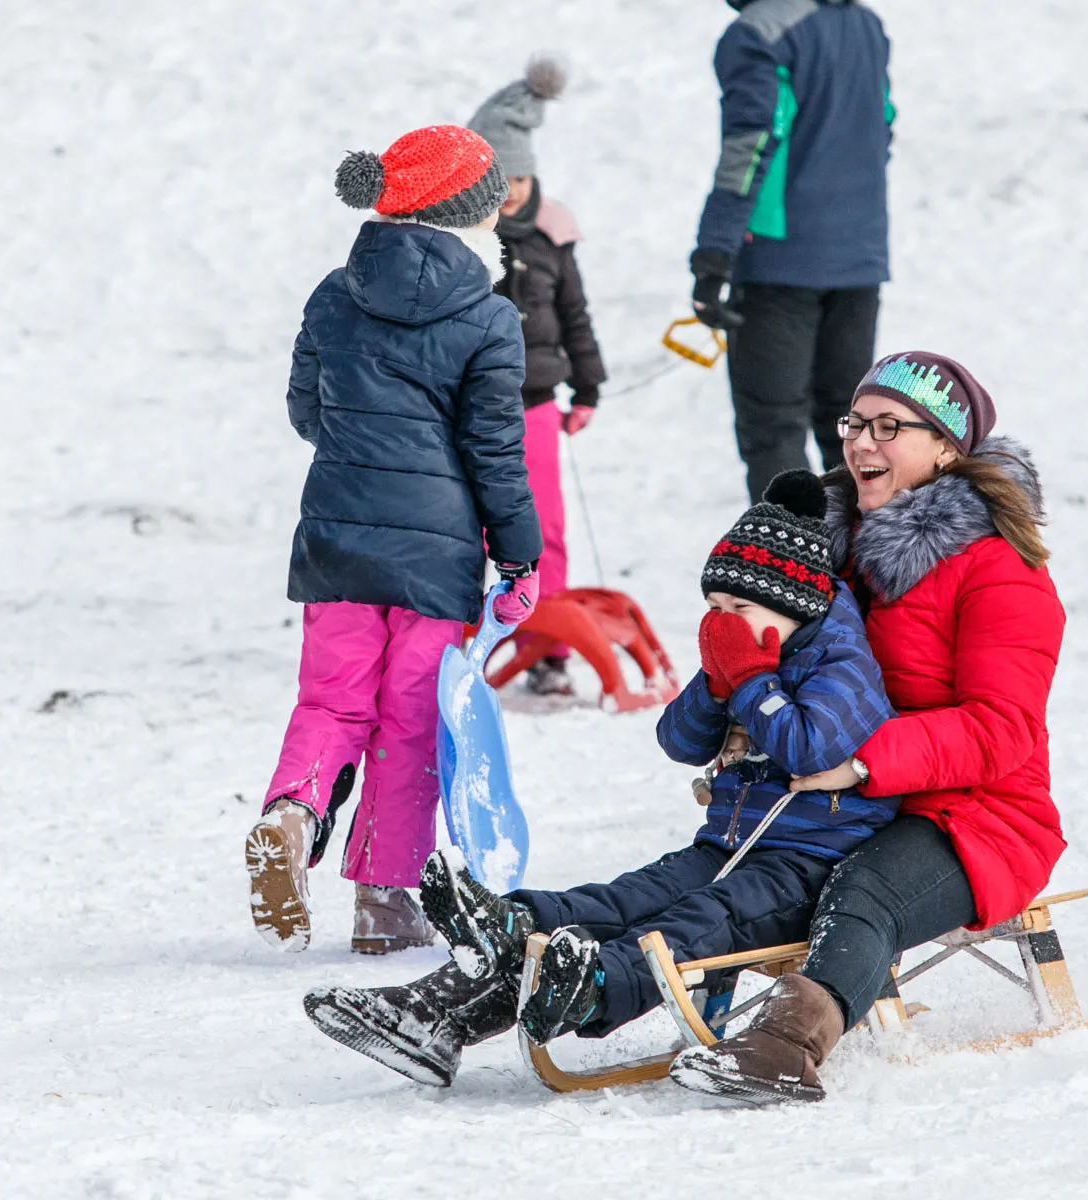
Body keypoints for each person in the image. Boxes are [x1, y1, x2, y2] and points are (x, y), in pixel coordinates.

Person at [301, 470, 897, 1085]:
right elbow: (679, 741)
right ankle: (458, 985)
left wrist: (749, 681)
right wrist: (721, 681)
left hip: (807, 865)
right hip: (730, 843)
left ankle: (596, 988)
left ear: (791, 605)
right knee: (619, 900)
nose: (722, 622)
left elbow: (808, 749)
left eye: (737, 609)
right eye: (714, 608)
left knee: (692, 924)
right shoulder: (754, 649)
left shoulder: (842, 663)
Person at [670, 351, 1067, 1104]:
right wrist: (744, 713)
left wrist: (859, 764)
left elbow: (1000, 729)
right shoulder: (836, 549)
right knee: (731, 875)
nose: (860, 443)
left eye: (890, 427)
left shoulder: (1001, 571)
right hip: (846, 806)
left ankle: (786, 1046)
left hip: (977, 816)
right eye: (855, 423)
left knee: (864, 890)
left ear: (946, 448)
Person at [245, 126, 543, 957]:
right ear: (477, 212)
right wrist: (519, 553)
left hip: (336, 543)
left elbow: (309, 411)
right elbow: (495, 450)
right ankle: (384, 903)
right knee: (411, 724)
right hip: (436, 558)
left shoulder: (335, 293)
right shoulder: (487, 316)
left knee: (331, 702)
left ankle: (292, 817)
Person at [688, 0, 895, 502]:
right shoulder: (865, 24)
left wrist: (716, 248)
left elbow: (752, 143)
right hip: (858, 258)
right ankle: (866, 570)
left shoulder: (758, 33)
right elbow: (883, 123)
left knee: (774, 429)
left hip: (780, 264)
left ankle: (793, 574)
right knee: (849, 429)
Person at [467, 56, 608, 695]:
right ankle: (463, 644)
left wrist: (588, 386)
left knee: (542, 526)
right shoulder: (463, 242)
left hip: (536, 408)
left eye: (522, 175)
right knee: (471, 525)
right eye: (501, 178)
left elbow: (574, 314)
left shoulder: (552, 237)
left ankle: (546, 648)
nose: (515, 190)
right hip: (472, 409)